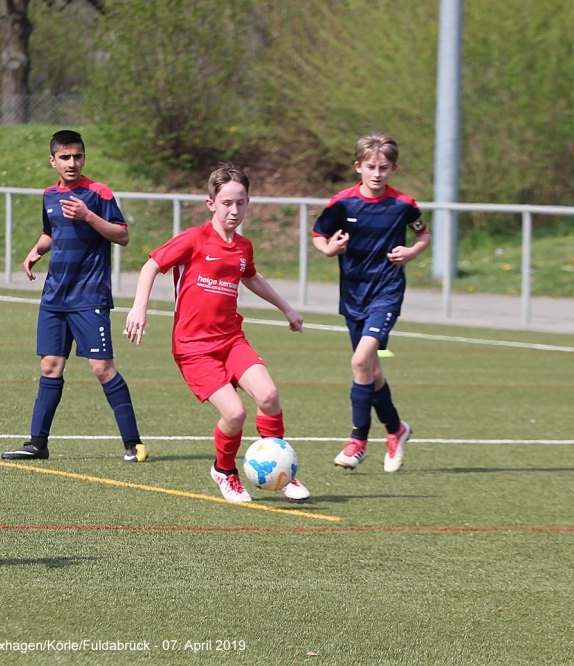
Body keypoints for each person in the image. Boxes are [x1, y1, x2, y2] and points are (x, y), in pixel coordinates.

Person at [124, 163, 311, 502]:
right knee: (235, 414)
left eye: (240, 202)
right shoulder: (194, 239)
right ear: (211, 204)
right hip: (193, 348)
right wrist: (140, 307)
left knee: (269, 397)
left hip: (231, 339)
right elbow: (152, 264)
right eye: (226, 203)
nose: (234, 210)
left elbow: (251, 277)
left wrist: (286, 308)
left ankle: (282, 472)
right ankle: (224, 472)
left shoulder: (243, 247)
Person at [1, 130, 146, 463]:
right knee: (50, 366)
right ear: (52, 160)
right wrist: (37, 250)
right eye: (65, 157)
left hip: (89, 297)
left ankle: (133, 443)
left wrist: (88, 215)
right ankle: (37, 444)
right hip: (55, 296)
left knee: (102, 368)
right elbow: (50, 231)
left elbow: (122, 236)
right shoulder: (49, 195)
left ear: (84, 158)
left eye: (77, 156)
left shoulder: (98, 192)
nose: (72, 163)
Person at [312, 133, 431, 472]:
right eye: (371, 167)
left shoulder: (403, 204)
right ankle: (396, 429)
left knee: (361, 360)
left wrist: (411, 252)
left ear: (393, 169)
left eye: (384, 168)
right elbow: (319, 234)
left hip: (386, 292)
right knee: (370, 370)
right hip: (353, 295)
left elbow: (423, 234)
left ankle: (357, 442)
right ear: (358, 167)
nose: (377, 173)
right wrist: (329, 249)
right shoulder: (343, 203)